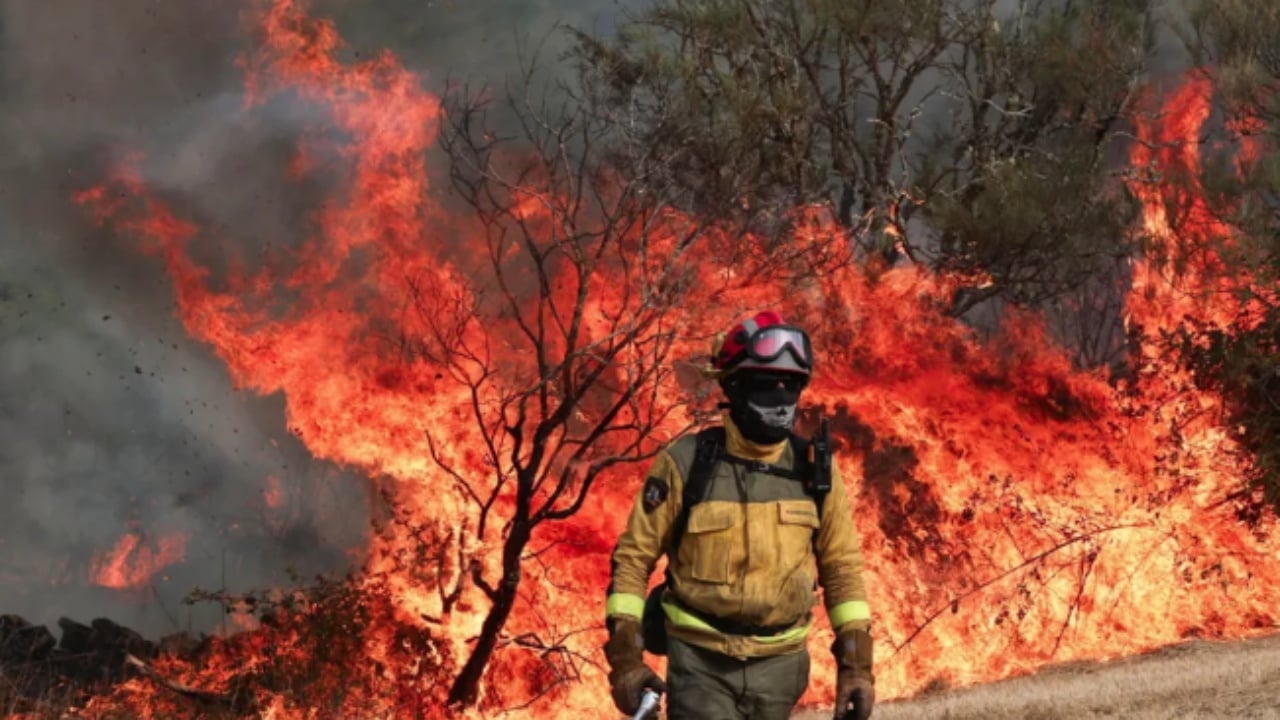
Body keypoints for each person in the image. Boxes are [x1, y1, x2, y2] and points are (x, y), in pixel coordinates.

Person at [603, 310, 875, 720]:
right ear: (733, 386)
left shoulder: (814, 471)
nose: (780, 398)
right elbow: (632, 560)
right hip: (701, 664)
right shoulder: (685, 464)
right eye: (766, 384)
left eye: (791, 385)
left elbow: (841, 568)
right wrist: (626, 661)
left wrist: (857, 667)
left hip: (782, 667)